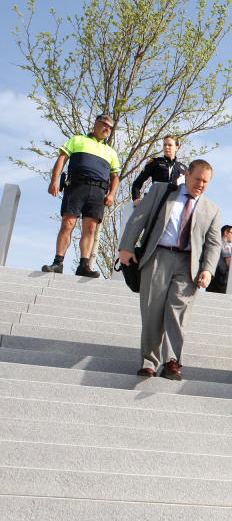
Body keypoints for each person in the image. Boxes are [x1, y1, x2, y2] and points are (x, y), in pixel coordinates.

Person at [118, 159, 222, 380]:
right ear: (187, 176)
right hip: (158, 256)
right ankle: (149, 361)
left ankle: (172, 361)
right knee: (152, 310)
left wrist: (208, 270)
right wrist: (126, 247)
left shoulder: (212, 210)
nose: (201, 185)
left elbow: (213, 244)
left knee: (177, 313)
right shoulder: (161, 191)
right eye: (197, 179)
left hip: (188, 264)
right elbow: (138, 218)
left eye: (206, 182)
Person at [42, 114, 120, 278]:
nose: (107, 129)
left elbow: (115, 176)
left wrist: (112, 194)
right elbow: (62, 158)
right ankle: (58, 262)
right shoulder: (77, 140)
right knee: (67, 224)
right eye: (105, 125)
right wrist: (54, 181)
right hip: (77, 186)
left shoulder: (111, 152)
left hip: (98, 192)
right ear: (96, 124)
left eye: (110, 127)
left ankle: (84, 265)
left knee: (90, 228)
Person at [130, 136, 187, 204]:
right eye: (165, 145)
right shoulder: (155, 162)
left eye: (170, 145)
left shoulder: (183, 168)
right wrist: (136, 198)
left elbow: (188, 189)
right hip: (156, 201)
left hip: (174, 204)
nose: (166, 147)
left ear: (176, 148)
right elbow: (138, 182)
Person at [206, 224, 232, 294]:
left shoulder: (216, 242)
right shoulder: (225, 244)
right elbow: (228, 261)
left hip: (212, 275)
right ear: (226, 233)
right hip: (220, 277)